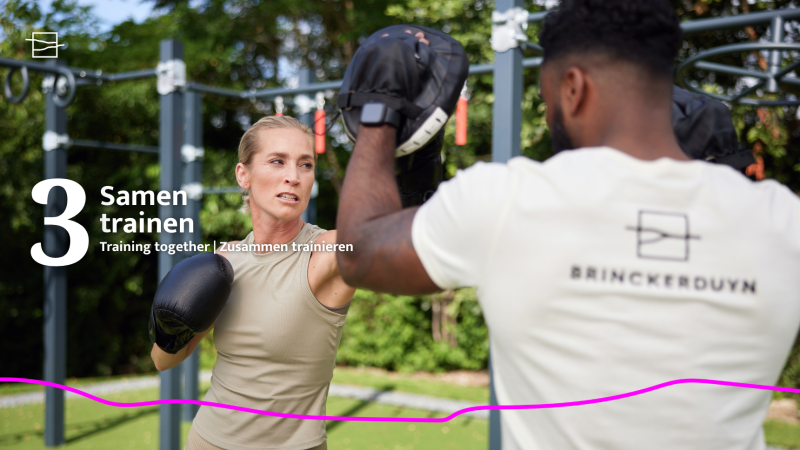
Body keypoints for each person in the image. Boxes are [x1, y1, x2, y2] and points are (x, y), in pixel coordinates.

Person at [334, 1, 800, 449]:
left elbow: (358, 251)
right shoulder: (783, 221)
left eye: (548, 96)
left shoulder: (508, 200)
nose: (551, 110)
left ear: (573, 88)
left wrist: (382, 110)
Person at [150, 116, 355, 450]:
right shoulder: (223, 263)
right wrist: (169, 326)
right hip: (207, 440)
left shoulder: (326, 252)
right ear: (243, 175)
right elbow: (163, 361)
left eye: (306, 165)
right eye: (277, 161)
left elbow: (388, 238)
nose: (294, 176)